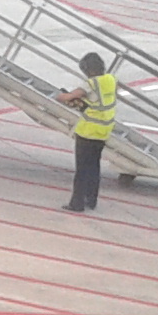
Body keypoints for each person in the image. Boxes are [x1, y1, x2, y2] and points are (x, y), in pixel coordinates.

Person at [58, 51, 117, 212]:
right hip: (104, 130)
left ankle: (76, 203)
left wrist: (62, 95)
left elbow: (68, 97)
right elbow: (97, 101)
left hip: (88, 132)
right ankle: (91, 200)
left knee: (82, 170)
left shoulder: (90, 84)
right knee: (94, 167)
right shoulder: (110, 80)